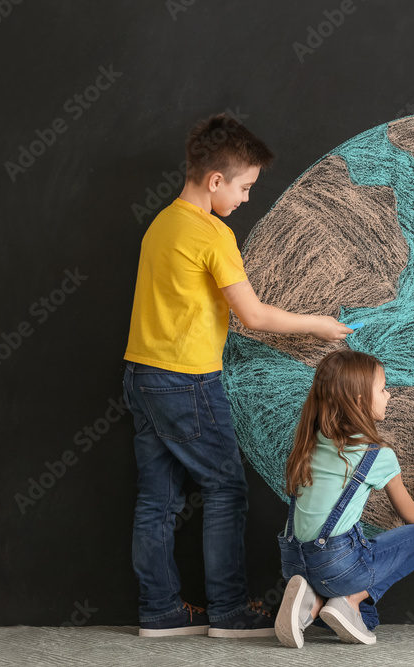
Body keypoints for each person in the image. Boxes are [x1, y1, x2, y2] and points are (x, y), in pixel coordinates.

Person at [123, 113, 353, 638]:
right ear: (216, 180)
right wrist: (318, 325)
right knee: (226, 489)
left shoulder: (162, 224)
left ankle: (160, 612)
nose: (247, 199)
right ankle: (228, 611)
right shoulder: (212, 233)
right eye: (245, 187)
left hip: (141, 375)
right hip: (186, 380)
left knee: (157, 500)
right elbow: (252, 317)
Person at [275, 349, 414, 647]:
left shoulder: (310, 439)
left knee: (367, 620)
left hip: (293, 562)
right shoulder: (377, 455)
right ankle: (345, 598)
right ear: (359, 400)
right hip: (338, 567)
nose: (389, 396)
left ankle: (315, 599)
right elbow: (412, 514)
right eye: (382, 389)